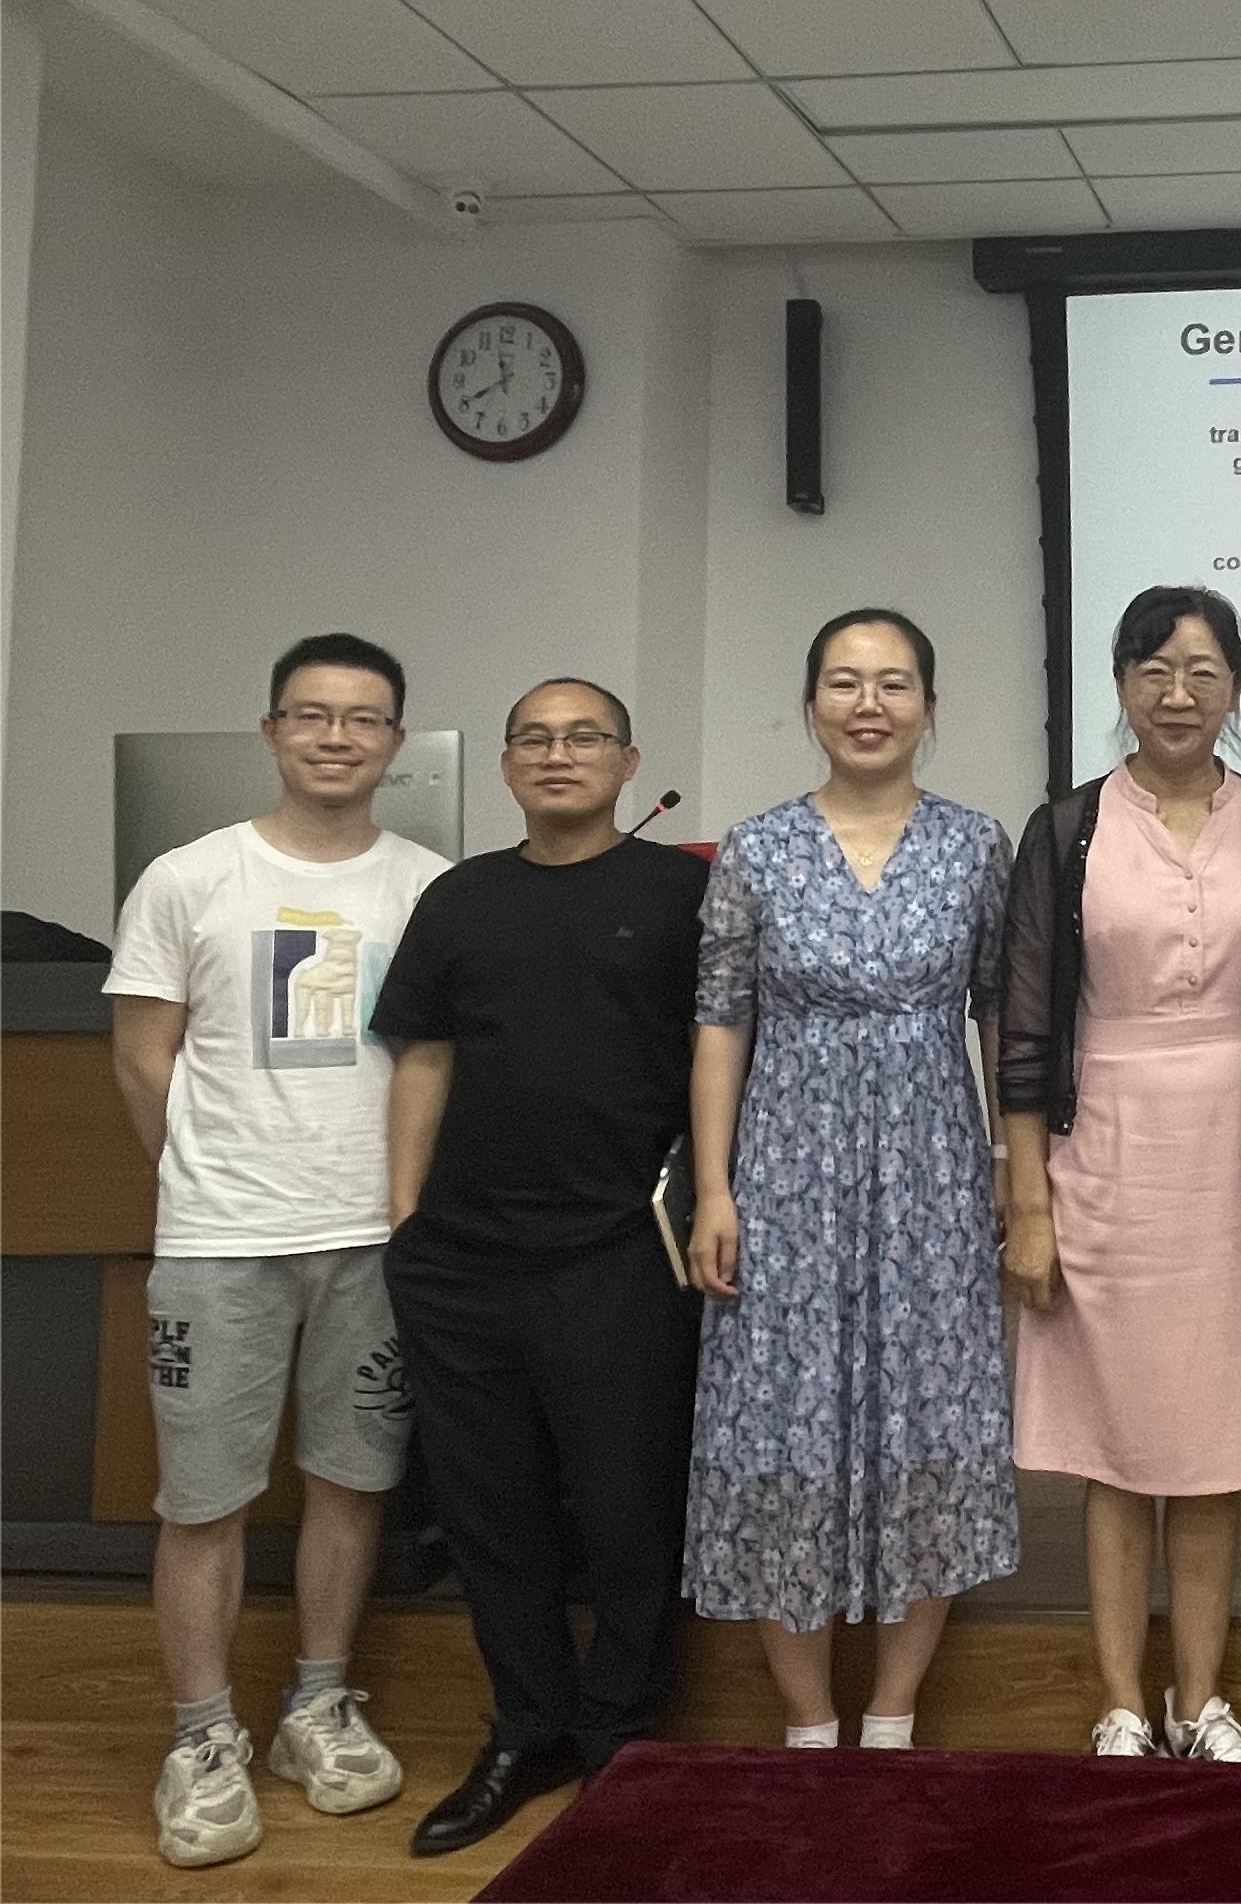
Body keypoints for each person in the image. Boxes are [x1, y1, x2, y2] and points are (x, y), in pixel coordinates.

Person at [105, 633, 447, 1869]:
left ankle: (318, 1703)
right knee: (203, 1499)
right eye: (311, 713)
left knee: (353, 1481)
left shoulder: (430, 887)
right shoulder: (189, 877)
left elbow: (439, 1058)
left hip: (374, 1236)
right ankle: (201, 1737)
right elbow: (141, 1055)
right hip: (221, 1241)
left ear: (395, 743)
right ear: (271, 729)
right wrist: (202, 1176)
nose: (336, 736)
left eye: (363, 718)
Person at [374, 678, 706, 1854]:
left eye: (584, 737)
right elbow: (424, 1056)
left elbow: (725, 1058)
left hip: (618, 1253)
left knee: (627, 1508)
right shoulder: (458, 897)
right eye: (535, 738)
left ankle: (619, 1730)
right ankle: (527, 1725)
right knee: (489, 1513)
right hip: (460, 1261)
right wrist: (405, 1220)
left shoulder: (683, 893)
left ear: (627, 761)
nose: (558, 754)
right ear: (509, 762)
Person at [1000, 587, 1241, 1762]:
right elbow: (1026, 1028)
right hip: (1107, 1150)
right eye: (1153, 670)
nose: (1177, 693)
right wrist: (1027, 1199)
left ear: (1235, 685)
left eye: (1202, 671)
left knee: (1213, 1441)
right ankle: (1121, 1705)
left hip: (1239, 1151)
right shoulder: (1066, 830)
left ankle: (1201, 1700)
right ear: (1120, 685)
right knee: (1117, 1439)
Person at [684, 609, 1018, 1751]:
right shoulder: (757, 848)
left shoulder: (974, 846)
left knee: (931, 1422)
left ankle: (890, 1716)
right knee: (779, 1429)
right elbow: (720, 1023)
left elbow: (998, 1014)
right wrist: (715, 1189)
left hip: (931, 1177)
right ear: (810, 702)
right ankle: (808, 1721)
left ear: (929, 706)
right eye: (843, 681)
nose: (868, 704)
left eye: (893, 683)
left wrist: (1007, 1167)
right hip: (785, 1175)